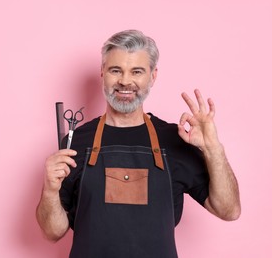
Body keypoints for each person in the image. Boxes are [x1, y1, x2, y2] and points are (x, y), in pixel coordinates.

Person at [36, 29, 241, 258]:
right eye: (116, 70)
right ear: (102, 72)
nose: (125, 81)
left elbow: (229, 210)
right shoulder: (77, 140)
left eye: (137, 71)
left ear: (152, 76)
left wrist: (212, 148)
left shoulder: (174, 139)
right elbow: (52, 232)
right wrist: (50, 190)